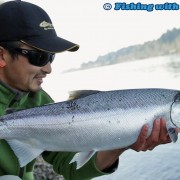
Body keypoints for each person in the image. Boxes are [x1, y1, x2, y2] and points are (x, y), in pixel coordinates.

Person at [0, 1, 174, 180]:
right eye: (40, 56)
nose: (48, 68)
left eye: (51, 57)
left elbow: (69, 166)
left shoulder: (40, 100)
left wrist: (121, 142)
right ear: (2, 55)